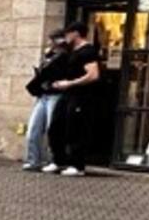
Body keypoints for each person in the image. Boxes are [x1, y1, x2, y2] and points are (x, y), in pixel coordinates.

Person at [46, 22, 105, 177]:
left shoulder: (88, 51)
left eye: (68, 33)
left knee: (76, 128)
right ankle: (59, 160)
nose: (65, 36)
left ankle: (77, 165)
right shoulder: (72, 51)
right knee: (56, 126)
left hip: (81, 96)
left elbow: (93, 74)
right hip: (68, 94)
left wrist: (70, 83)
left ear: (76, 34)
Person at [23, 33, 69, 171]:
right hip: (43, 95)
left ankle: (54, 160)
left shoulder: (65, 57)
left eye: (51, 42)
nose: (49, 44)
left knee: (52, 128)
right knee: (33, 128)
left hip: (56, 94)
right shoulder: (49, 56)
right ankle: (34, 160)